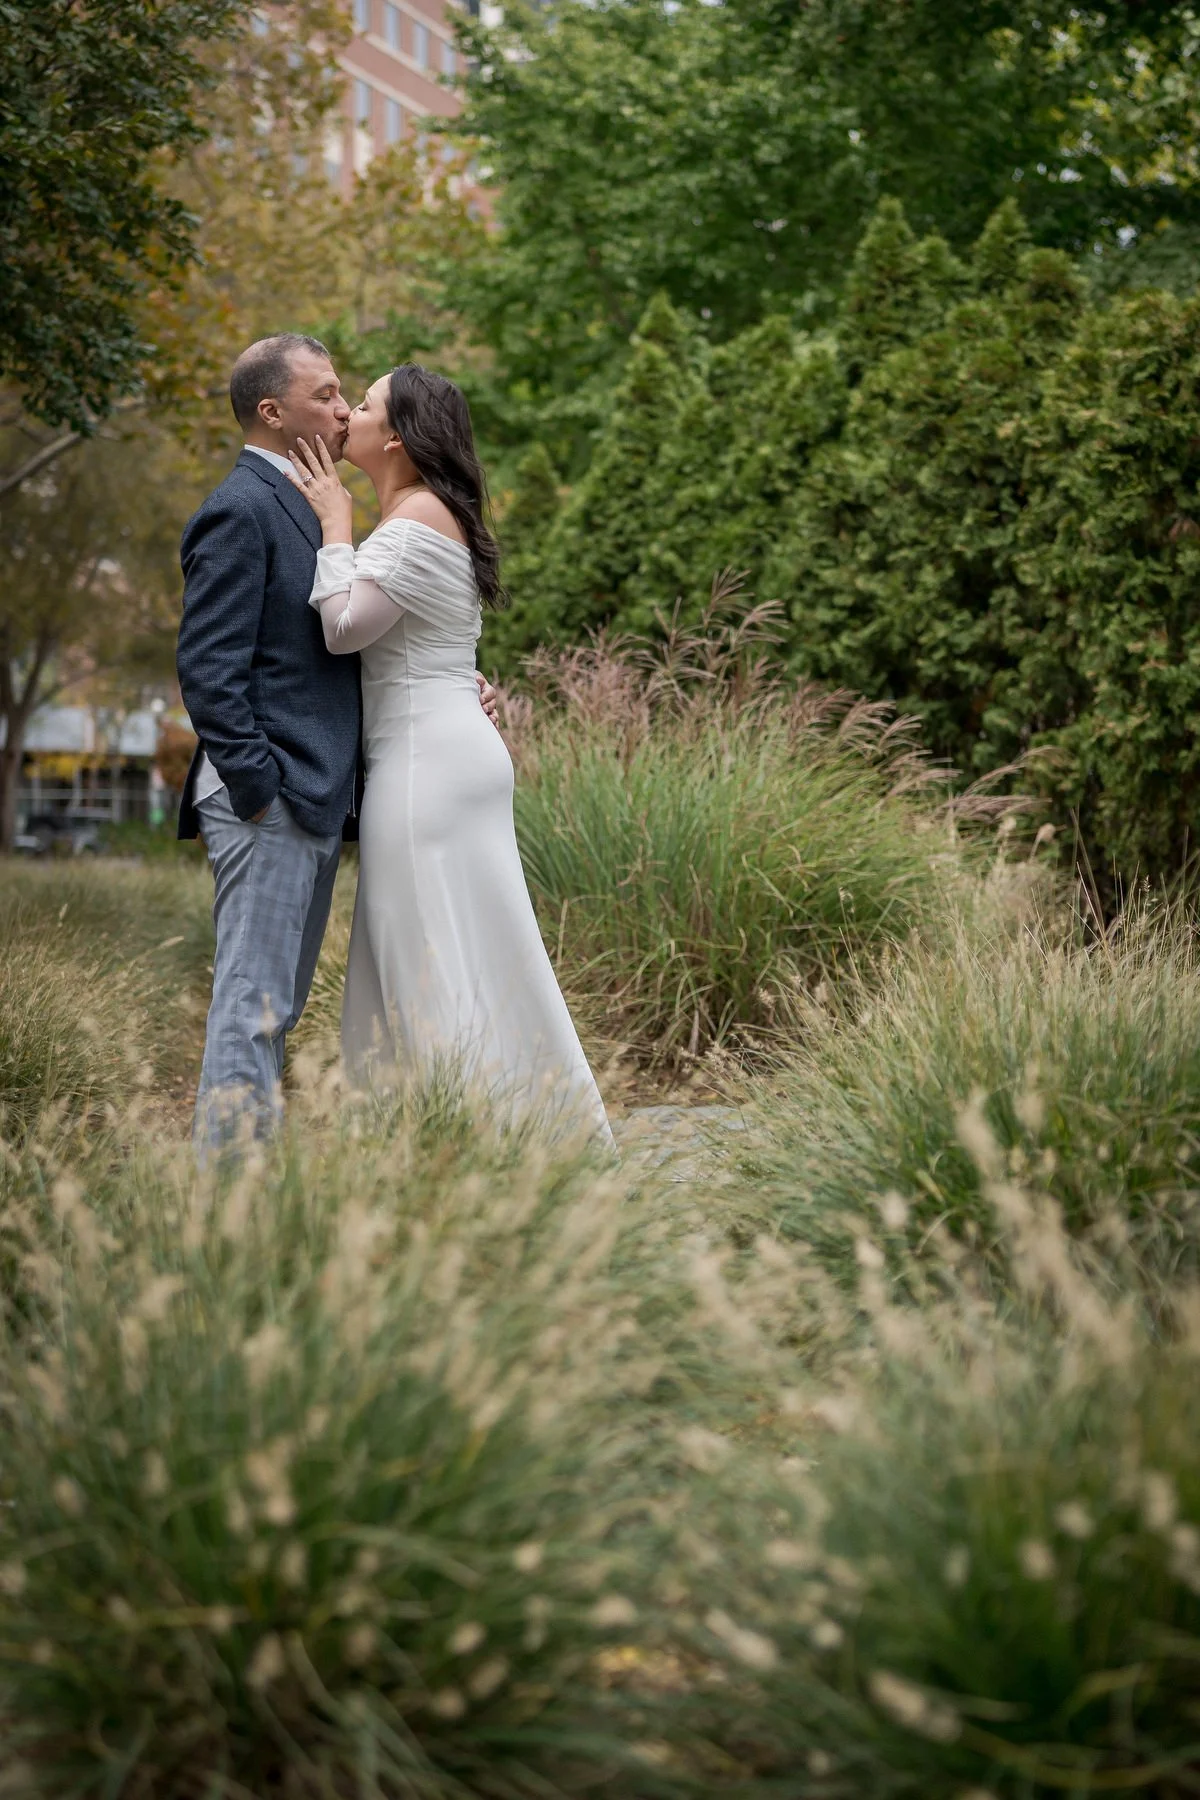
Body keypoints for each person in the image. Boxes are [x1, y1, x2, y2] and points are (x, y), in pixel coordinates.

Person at [176, 334, 499, 1150]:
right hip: (274, 796)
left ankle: (248, 1184)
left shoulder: (317, 504)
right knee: (253, 1004)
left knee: (273, 1006)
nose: (342, 406)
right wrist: (260, 786)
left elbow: (363, 637)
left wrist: (456, 689)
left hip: (317, 796)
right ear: (273, 411)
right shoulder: (243, 506)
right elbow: (209, 670)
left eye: (347, 394)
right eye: (324, 395)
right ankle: (227, 1203)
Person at [286, 363, 613, 1146]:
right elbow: (425, 646)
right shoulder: (429, 515)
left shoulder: (411, 520)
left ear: (394, 435)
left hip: (425, 770)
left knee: (421, 958)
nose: (346, 416)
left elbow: (343, 629)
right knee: (480, 953)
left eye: (360, 405)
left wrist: (334, 526)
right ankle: (521, 1138)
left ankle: (460, 1147)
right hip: (448, 748)